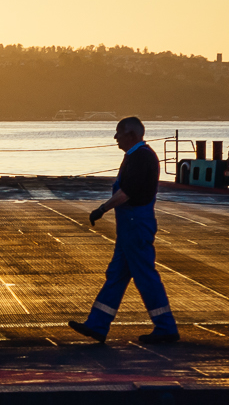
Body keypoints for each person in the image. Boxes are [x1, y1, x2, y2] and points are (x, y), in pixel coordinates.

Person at [68, 116, 180, 346]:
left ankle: (166, 327)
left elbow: (126, 192)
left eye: (118, 133)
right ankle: (97, 325)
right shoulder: (135, 156)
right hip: (130, 225)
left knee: (145, 277)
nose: (115, 137)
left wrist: (102, 209)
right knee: (116, 275)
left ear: (130, 134)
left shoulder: (140, 158)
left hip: (136, 224)